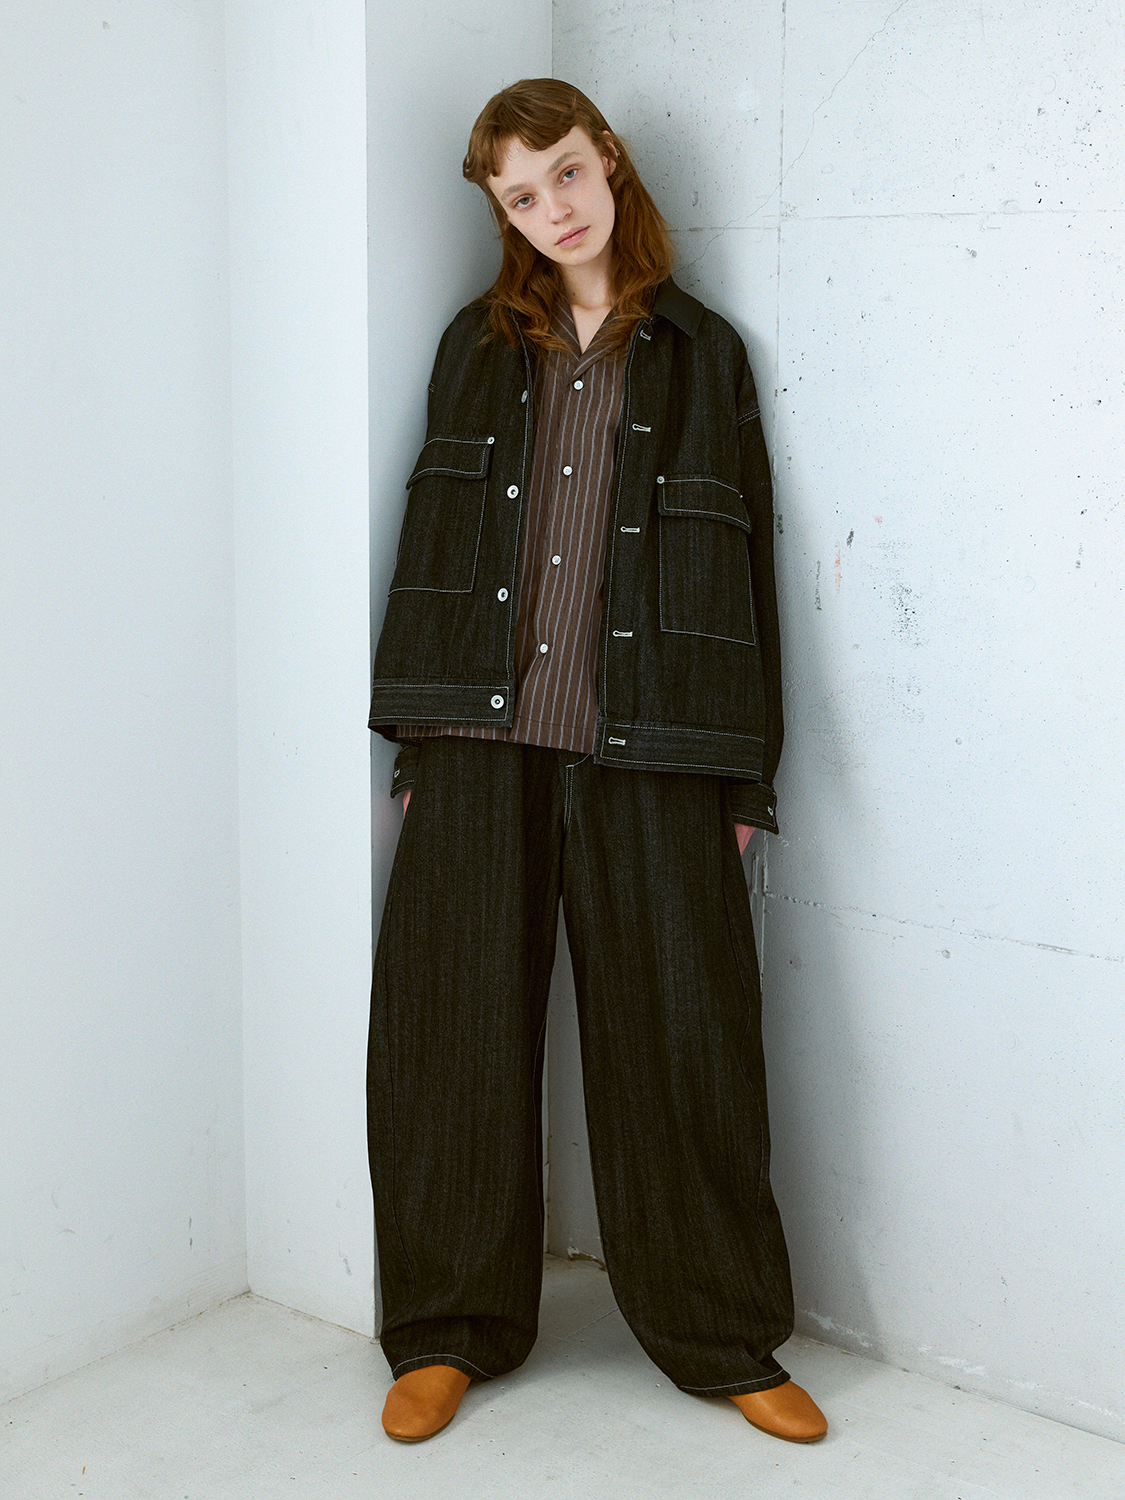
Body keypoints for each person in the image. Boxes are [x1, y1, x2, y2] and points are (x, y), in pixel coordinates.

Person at [366, 78, 827, 1447]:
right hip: (476, 738)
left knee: (686, 1039)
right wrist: (416, 741)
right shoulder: (472, 347)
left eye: (565, 172)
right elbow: (433, 542)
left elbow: (744, 570)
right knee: (448, 1039)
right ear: (502, 213)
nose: (552, 210)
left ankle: (720, 1333)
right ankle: (446, 1329)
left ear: (607, 163)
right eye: (520, 195)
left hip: (659, 741)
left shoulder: (702, 355)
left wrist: (744, 776)